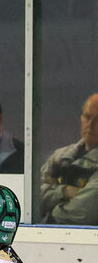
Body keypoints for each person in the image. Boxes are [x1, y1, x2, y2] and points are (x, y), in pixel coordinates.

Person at [39, 93, 98, 225]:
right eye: (87, 117)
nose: (91, 124)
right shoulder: (60, 156)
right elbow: (33, 197)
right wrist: (64, 191)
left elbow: (84, 212)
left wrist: (47, 216)